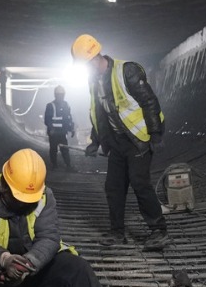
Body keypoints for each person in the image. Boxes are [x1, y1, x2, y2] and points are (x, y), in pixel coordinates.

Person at [0, 149, 110, 287]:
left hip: (34, 267)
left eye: (28, 200)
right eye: (18, 198)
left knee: (78, 267)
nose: (22, 204)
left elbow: (49, 237)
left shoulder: (43, 195)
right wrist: (4, 260)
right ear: (4, 186)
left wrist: (28, 263)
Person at [70, 34, 169, 251]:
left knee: (140, 183)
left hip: (137, 140)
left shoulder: (127, 71)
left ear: (96, 57)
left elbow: (149, 102)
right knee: (113, 187)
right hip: (116, 143)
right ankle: (117, 232)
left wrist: (155, 135)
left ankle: (158, 231)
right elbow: (99, 112)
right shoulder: (94, 80)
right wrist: (95, 140)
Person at [43, 85, 75, 170]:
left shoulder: (66, 105)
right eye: (59, 95)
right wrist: (51, 129)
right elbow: (47, 120)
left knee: (65, 149)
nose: (61, 97)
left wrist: (71, 128)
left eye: (62, 95)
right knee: (53, 149)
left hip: (62, 132)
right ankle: (54, 165)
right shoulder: (50, 105)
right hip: (54, 133)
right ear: (55, 95)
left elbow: (68, 118)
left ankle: (68, 165)